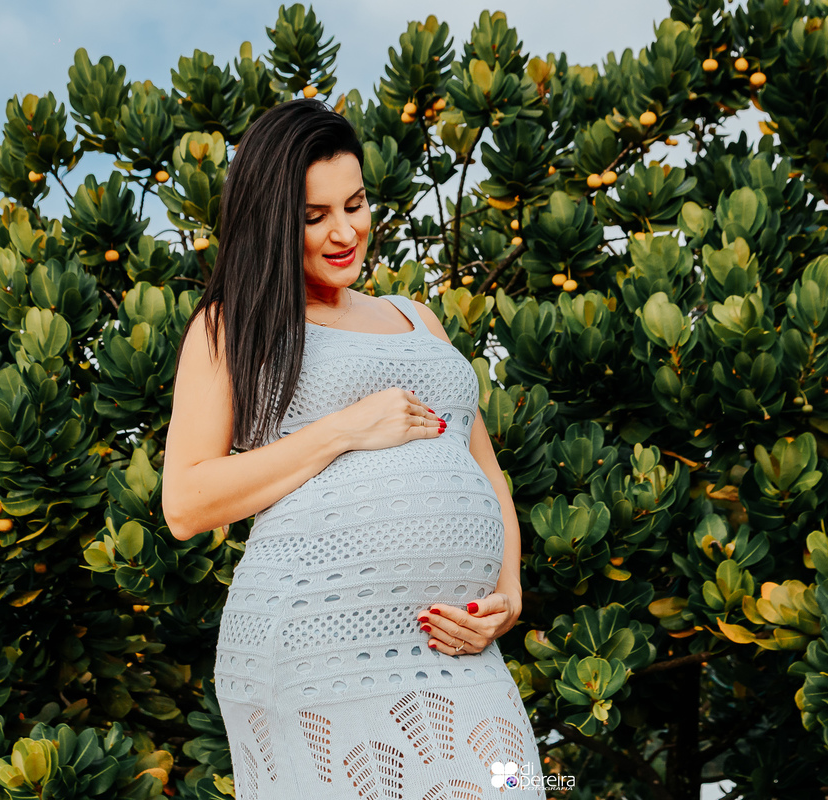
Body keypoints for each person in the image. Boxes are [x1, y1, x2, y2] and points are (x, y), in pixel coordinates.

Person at [162, 99, 546, 798]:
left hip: (452, 649)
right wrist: (344, 429)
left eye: (356, 203)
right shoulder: (232, 326)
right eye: (314, 217)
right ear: (271, 221)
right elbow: (186, 503)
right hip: (317, 650)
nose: (345, 232)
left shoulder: (416, 318)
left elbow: (482, 468)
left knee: (510, 784)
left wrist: (508, 593)